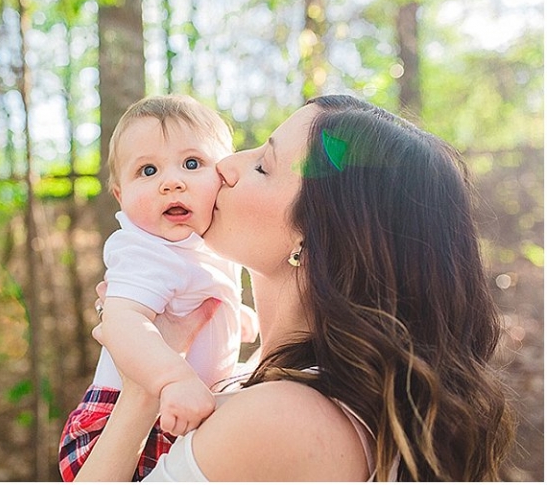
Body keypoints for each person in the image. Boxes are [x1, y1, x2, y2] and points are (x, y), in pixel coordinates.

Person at [74, 94, 515, 481]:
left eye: (263, 166)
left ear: (316, 233)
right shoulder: (269, 385)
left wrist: (143, 385)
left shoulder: (280, 419)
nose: (225, 166)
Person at [59, 94, 259, 481]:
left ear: (223, 176)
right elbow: (120, 324)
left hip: (184, 409)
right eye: (148, 171)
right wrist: (173, 379)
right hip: (120, 426)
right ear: (121, 195)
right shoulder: (145, 249)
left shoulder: (204, 245)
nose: (171, 182)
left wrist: (235, 319)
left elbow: (193, 298)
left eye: (191, 163)